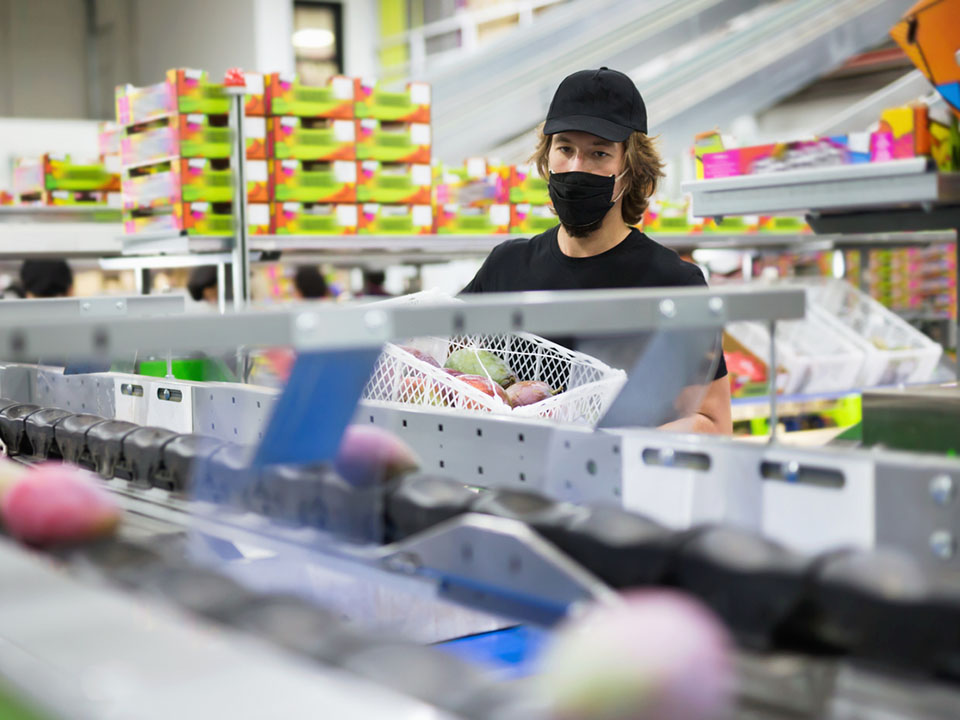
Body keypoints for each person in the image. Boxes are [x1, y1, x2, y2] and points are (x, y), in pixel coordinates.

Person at [462, 67, 731, 434]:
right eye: (565, 149)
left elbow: (714, 424)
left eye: (599, 153)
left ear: (631, 169)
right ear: (547, 156)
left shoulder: (673, 283)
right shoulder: (505, 267)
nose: (577, 167)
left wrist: (611, 450)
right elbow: (447, 367)